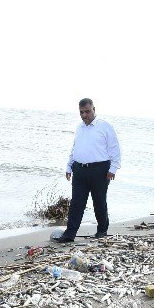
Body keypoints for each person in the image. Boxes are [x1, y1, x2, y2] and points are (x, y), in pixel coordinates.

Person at [53, 98, 121, 242]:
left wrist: (113, 168)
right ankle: (69, 234)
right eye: (81, 112)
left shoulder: (104, 126)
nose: (84, 115)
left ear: (94, 110)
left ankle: (102, 230)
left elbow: (114, 149)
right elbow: (75, 148)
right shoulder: (80, 128)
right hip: (79, 170)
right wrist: (69, 166)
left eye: (87, 112)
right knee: (77, 203)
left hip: (100, 170)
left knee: (99, 202)